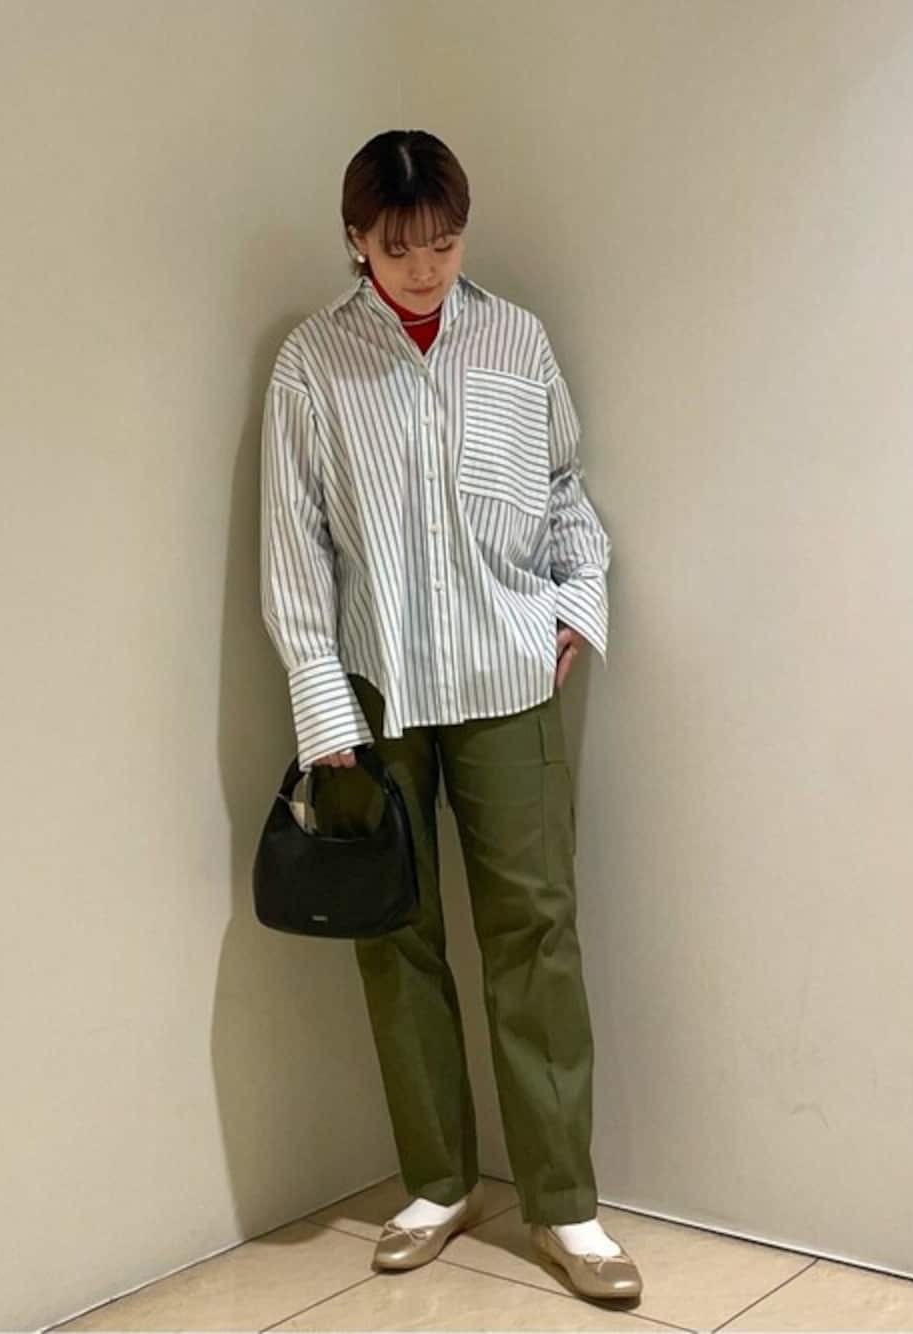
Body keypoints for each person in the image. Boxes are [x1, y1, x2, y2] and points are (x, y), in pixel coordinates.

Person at [260, 129, 642, 1302]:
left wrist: (574, 602)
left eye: (443, 242)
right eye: (398, 247)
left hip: (508, 679)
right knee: (396, 931)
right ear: (357, 241)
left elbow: (564, 488)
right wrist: (320, 698)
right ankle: (436, 1181)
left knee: (536, 929)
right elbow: (294, 543)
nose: (424, 268)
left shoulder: (514, 338)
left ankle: (564, 1205)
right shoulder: (312, 363)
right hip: (372, 692)